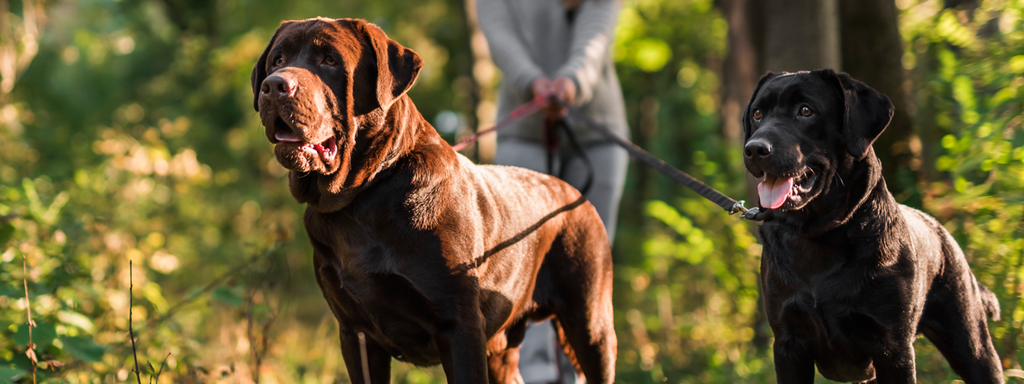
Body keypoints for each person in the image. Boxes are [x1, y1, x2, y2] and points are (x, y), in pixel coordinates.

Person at [477, 0, 628, 383]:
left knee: (585, 264)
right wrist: (533, 84)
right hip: (521, 130)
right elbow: (500, 38)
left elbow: (596, 35)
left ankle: (579, 375)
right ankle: (536, 375)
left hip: (596, 129)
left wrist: (571, 82)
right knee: (520, 265)